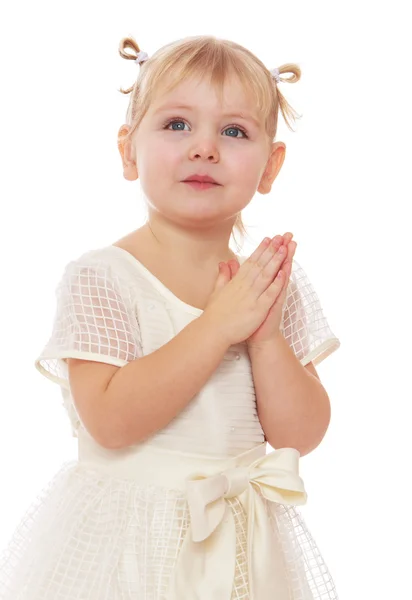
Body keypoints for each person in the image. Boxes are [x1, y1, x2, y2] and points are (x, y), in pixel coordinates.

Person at [0, 35, 341, 599]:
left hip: (241, 548)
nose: (204, 148)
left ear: (270, 165)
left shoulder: (268, 282)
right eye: (177, 124)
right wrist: (217, 326)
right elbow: (110, 422)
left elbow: (300, 436)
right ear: (128, 150)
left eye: (234, 131)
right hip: (127, 543)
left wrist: (266, 339)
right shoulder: (103, 276)